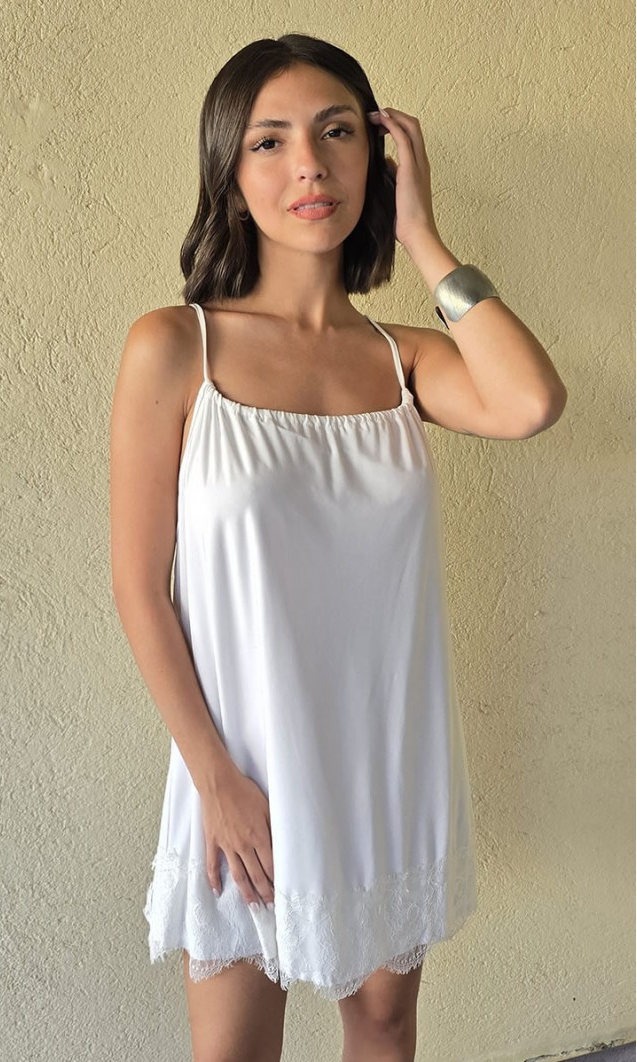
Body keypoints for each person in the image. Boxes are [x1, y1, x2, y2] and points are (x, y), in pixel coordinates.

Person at [109, 33, 567, 1062]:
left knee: (385, 1027)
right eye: (269, 141)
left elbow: (529, 402)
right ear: (230, 173)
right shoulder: (175, 347)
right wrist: (214, 780)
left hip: (386, 757)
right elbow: (138, 588)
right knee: (234, 1051)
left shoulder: (404, 360)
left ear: (378, 158)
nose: (309, 165)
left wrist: (427, 242)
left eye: (337, 133)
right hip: (241, 764)